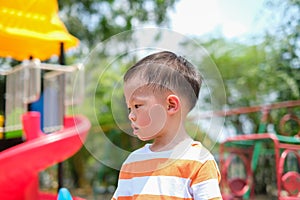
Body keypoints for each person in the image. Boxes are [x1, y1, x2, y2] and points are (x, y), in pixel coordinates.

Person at [112, 51, 222, 200]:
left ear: (170, 105)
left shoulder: (199, 161)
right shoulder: (132, 163)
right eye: (129, 108)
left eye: (137, 105)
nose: (131, 115)